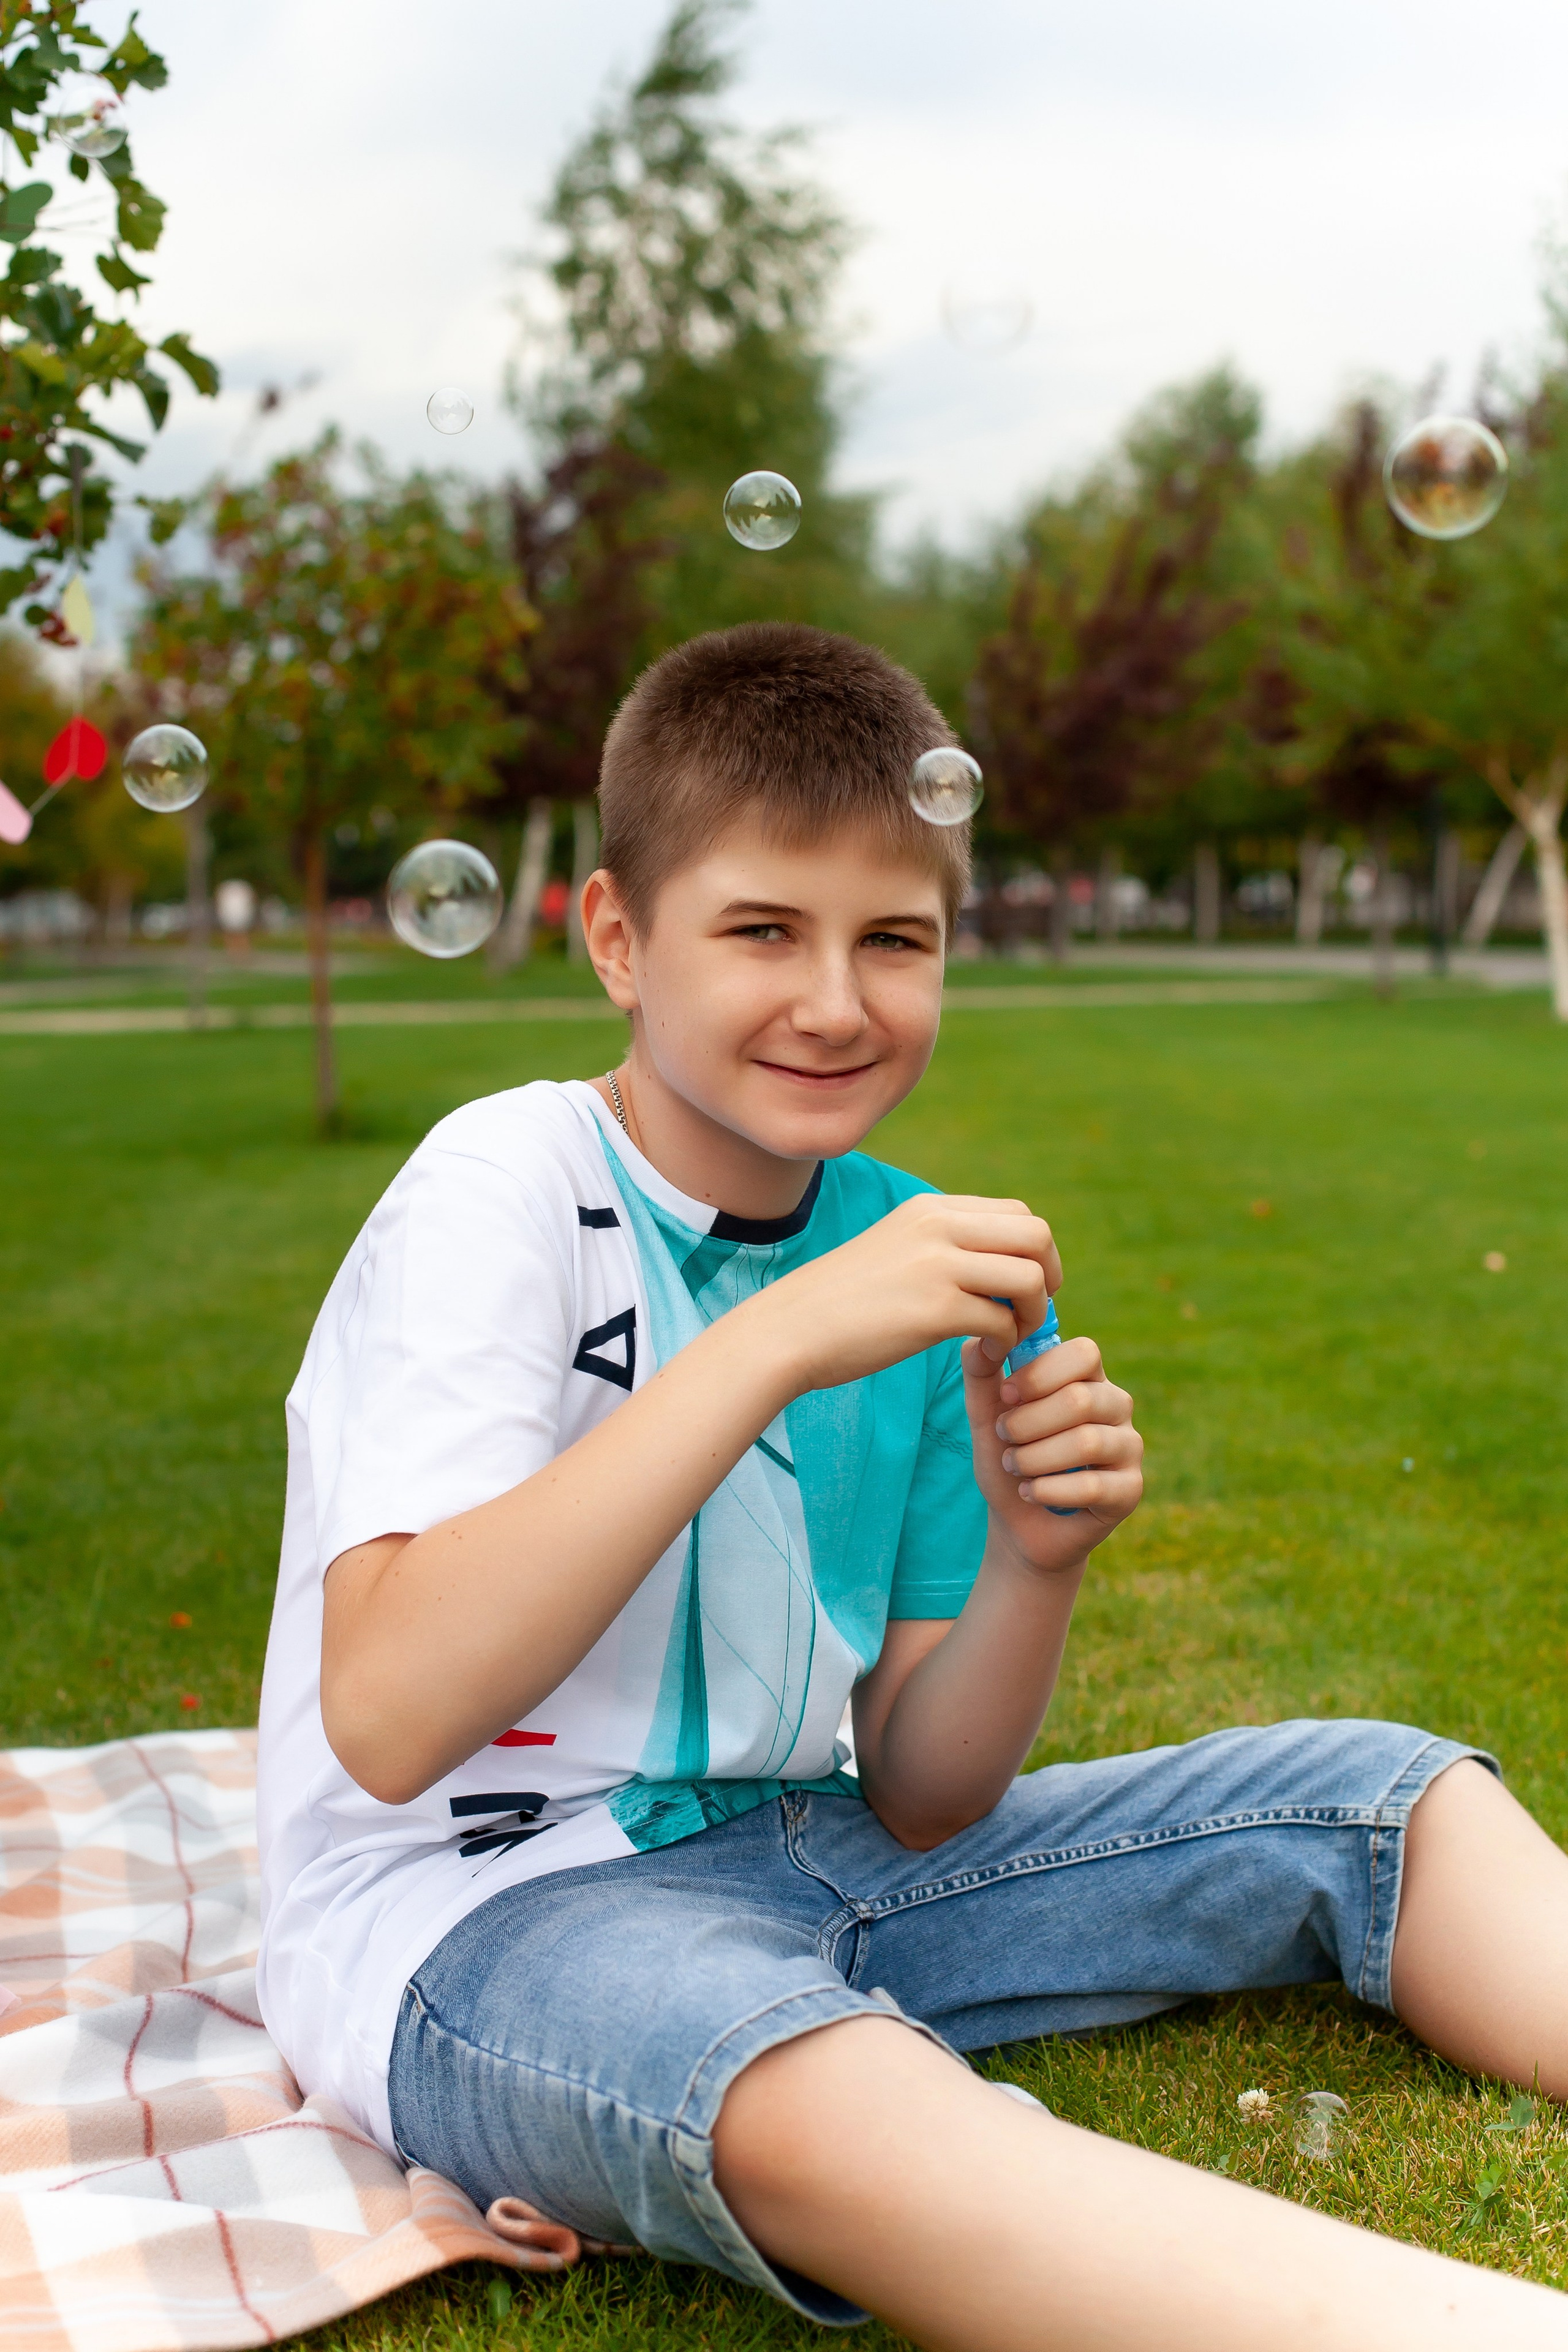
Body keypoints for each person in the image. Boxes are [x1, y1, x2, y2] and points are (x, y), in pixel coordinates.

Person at [257, 624, 1568, 2351]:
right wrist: (769, 1343)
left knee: (1379, 1801)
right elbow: (389, 1710)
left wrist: (1036, 1563)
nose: (836, 999)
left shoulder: (900, 1240)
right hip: (482, 1920)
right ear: (617, 938)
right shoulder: (502, 1184)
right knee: (817, 2083)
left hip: (820, 1856)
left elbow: (935, 1790)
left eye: (897, 939)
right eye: (760, 931)